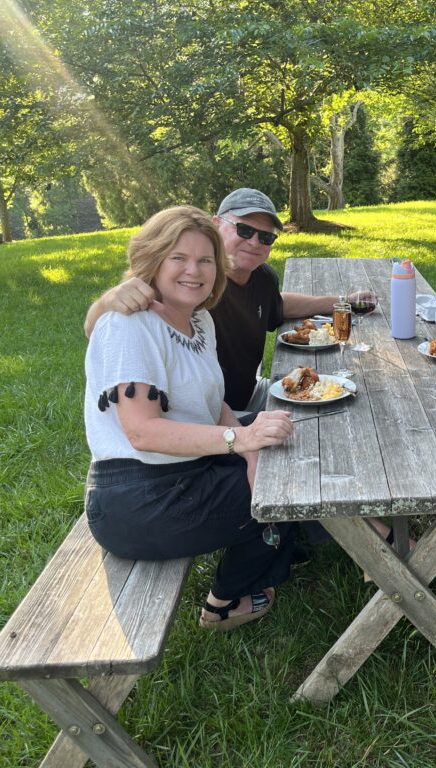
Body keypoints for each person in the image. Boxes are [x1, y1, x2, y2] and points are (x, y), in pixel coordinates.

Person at [83, 205, 297, 631]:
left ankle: (281, 543)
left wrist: (247, 440)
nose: (193, 271)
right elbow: (142, 432)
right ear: (152, 259)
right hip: (140, 498)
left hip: (184, 469)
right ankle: (224, 601)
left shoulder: (198, 319)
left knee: (289, 442)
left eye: (205, 260)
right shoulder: (129, 326)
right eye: (178, 258)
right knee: (289, 488)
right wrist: (241, 444)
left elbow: (213, 404)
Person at [84, 188, 365, 414]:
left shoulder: (261, 277)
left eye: (266, 237)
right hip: (206, 416)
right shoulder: (192, 287)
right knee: (310, 423)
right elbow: (107, 328)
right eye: (244, 230)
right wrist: (108, 301)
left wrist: (342, 301)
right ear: (216, 224)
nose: (255, 242)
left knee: (340, 391)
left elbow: (277, 305)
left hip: (245, 396)